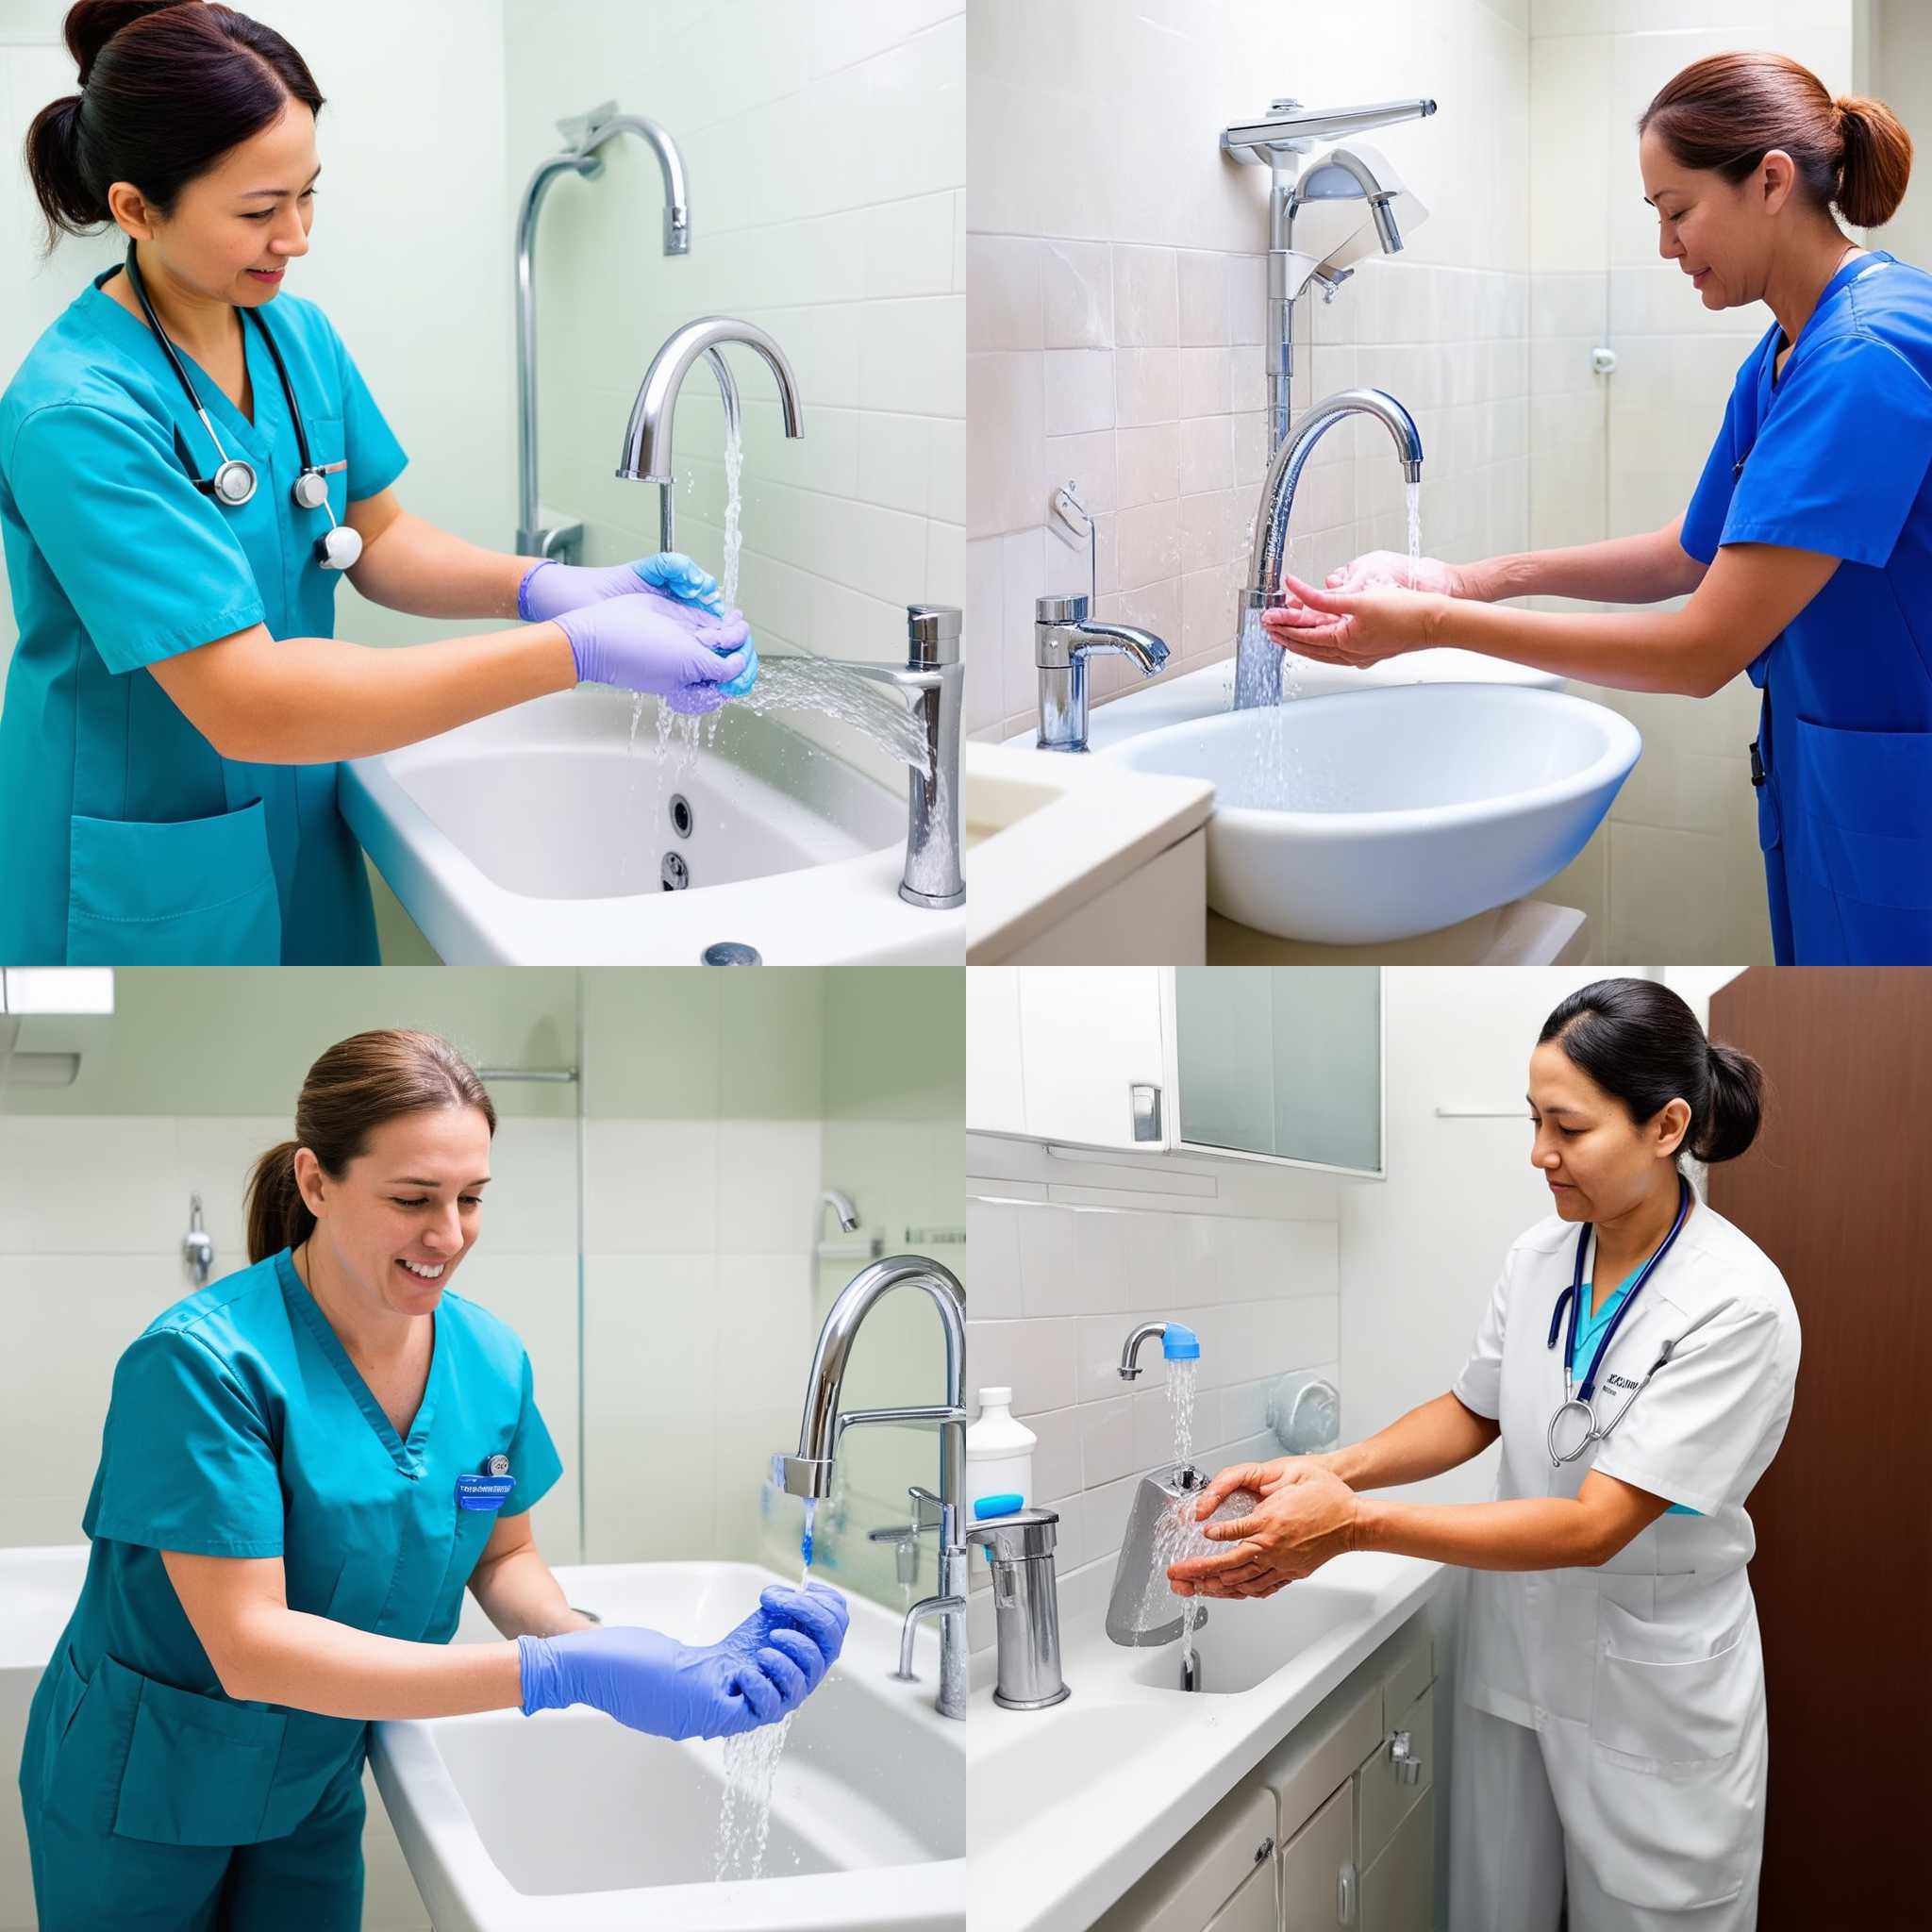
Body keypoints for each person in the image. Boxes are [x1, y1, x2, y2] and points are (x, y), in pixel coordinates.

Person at [16, 1027, 846, 1932]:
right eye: (413, 1198)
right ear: (315, 1182)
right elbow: (248, 1644)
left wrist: (592, 1642)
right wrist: (558, 1671)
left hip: (316, 1777)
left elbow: (502, 1552)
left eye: (471, 1198)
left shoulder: (488, 1359)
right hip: (144, 1790)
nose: (448, 1235)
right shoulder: (200, 1364)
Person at [0, 0, 756, 966]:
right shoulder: (77, 412)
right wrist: (573, 651)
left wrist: (540, 588)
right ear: (136, 209)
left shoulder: (295, 336)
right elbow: (246, 698)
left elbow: (379, 538)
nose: (298, 236)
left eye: (307, 194)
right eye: (259, 211)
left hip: (301, 798)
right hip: (141, 839)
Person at [1265, 52, 1929, 965]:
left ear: (1769, 181)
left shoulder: (1861, 359)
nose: (1666, 247)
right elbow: (1688, 555)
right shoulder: (1788, 347)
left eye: (1676, 211)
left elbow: (1700, 648)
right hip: (1838, 783)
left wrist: (1429, 623)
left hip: (1898, 806)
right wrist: (1466, 578)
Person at [1168, 978, 1799, 1930]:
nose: (1537, 1152)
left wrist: (1353, 1526)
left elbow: (1594, 1524)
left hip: (1651, 1688)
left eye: (1567, 1126)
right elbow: (1474, 1410)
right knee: (1492, 1907)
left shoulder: (1733, 1303)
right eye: (1532, 1118)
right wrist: (1332, 1470)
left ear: (1666, 1125)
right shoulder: (1541, 1256)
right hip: (1518, 1660)